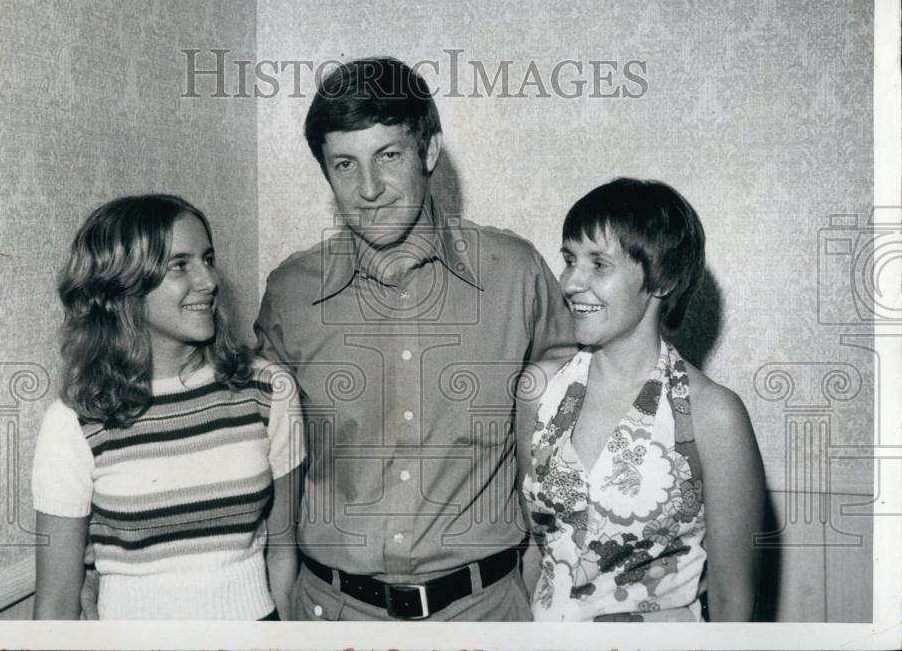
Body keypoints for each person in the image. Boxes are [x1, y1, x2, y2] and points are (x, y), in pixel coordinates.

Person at [254, 56, 576, 620]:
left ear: (428, 151)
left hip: (486, 614)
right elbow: (264, 456)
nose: (369, 189)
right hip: (331, 615)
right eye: (345, 165)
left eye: (388, 156)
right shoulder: (290, 294)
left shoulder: (515, 273)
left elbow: (588, 405)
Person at [31, 195, 303, 620]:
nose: (209, 280)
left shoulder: (268, 389)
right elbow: (56, 605)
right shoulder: (74, 421)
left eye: (207, 259)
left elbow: (284, 557)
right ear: (122, 284)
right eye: (180, 265)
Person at [520, 178, 765, 622]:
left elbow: (733, 600)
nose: (572, 282)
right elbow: (539, 554)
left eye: (599, 264)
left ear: (663, 278)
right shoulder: (540, 389)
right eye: (570, 259)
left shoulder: (713, 415)